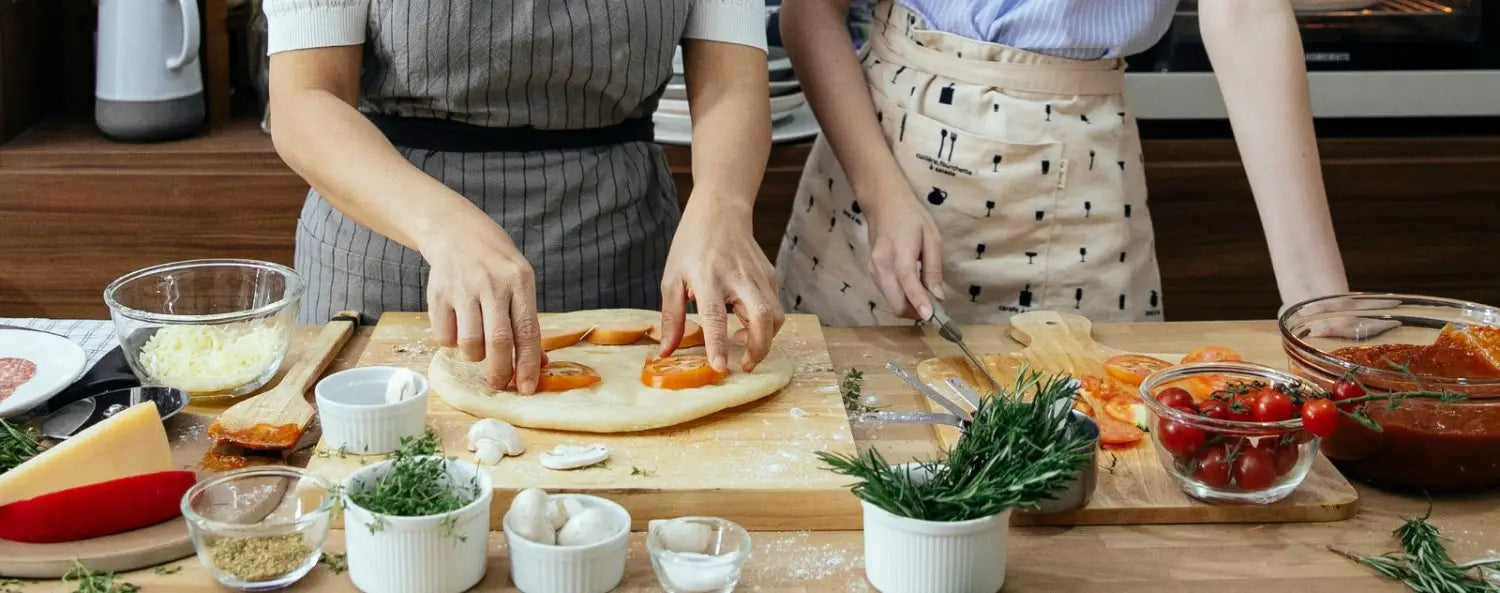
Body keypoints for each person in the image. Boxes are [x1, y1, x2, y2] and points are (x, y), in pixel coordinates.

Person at [264, 0, 785, 393]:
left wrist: (724, 207)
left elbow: (729, 86)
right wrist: (442, 227)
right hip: (390, 257)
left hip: (620, 250)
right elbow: (305, 99)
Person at [774, 0, 1349, 326]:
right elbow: (809, 14)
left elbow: (1245, 13)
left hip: (1083, 182)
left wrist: (1323, 308)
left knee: (1093, 480)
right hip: (879, 166)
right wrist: (882, 198)